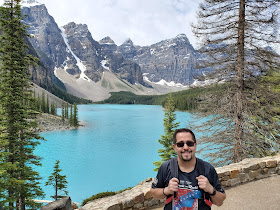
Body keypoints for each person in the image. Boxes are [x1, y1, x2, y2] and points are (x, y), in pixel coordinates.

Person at [151, 128, 226, 210]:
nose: (185, 147)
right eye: (180, 144)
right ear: (174, 147)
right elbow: (154, 192)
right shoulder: (166, 167)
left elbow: (219, 202)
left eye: (190, 143)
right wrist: (167, 190)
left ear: (195, 145)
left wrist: (210, 189)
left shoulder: (207, 169)